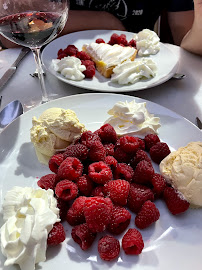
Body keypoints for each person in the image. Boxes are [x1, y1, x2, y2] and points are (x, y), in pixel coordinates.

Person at [0, 0, 202, 56]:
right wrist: (105, 22)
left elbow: (185, 43)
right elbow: (14, 32)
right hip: (51, 72)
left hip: (139, 80)